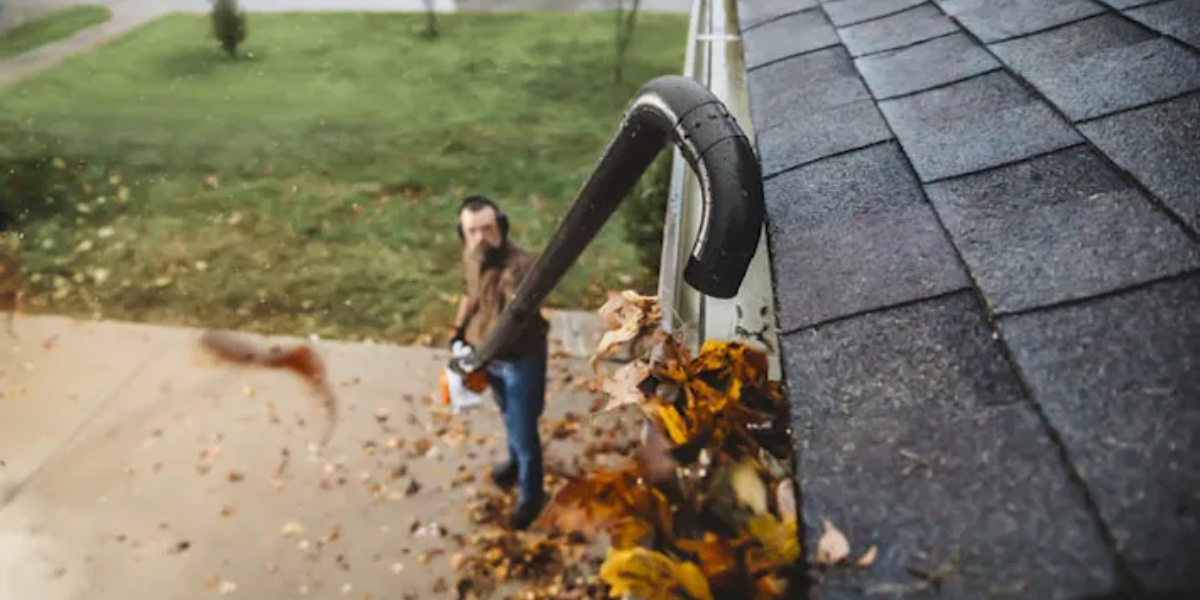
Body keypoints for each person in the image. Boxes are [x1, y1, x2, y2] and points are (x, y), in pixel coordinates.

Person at [451, 194, 550, 530]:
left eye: (488, 229)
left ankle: (532, 496)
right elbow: (472, 295)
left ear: (502, 226)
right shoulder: (473, 256)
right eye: (473, 231)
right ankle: (514, 463)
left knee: (524, 429)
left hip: (521, 359)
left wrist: (514, 290)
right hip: (489, 358)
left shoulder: (520, 268)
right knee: (508, 414)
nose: (481, 238)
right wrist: (458, 333)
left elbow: (517, 316)